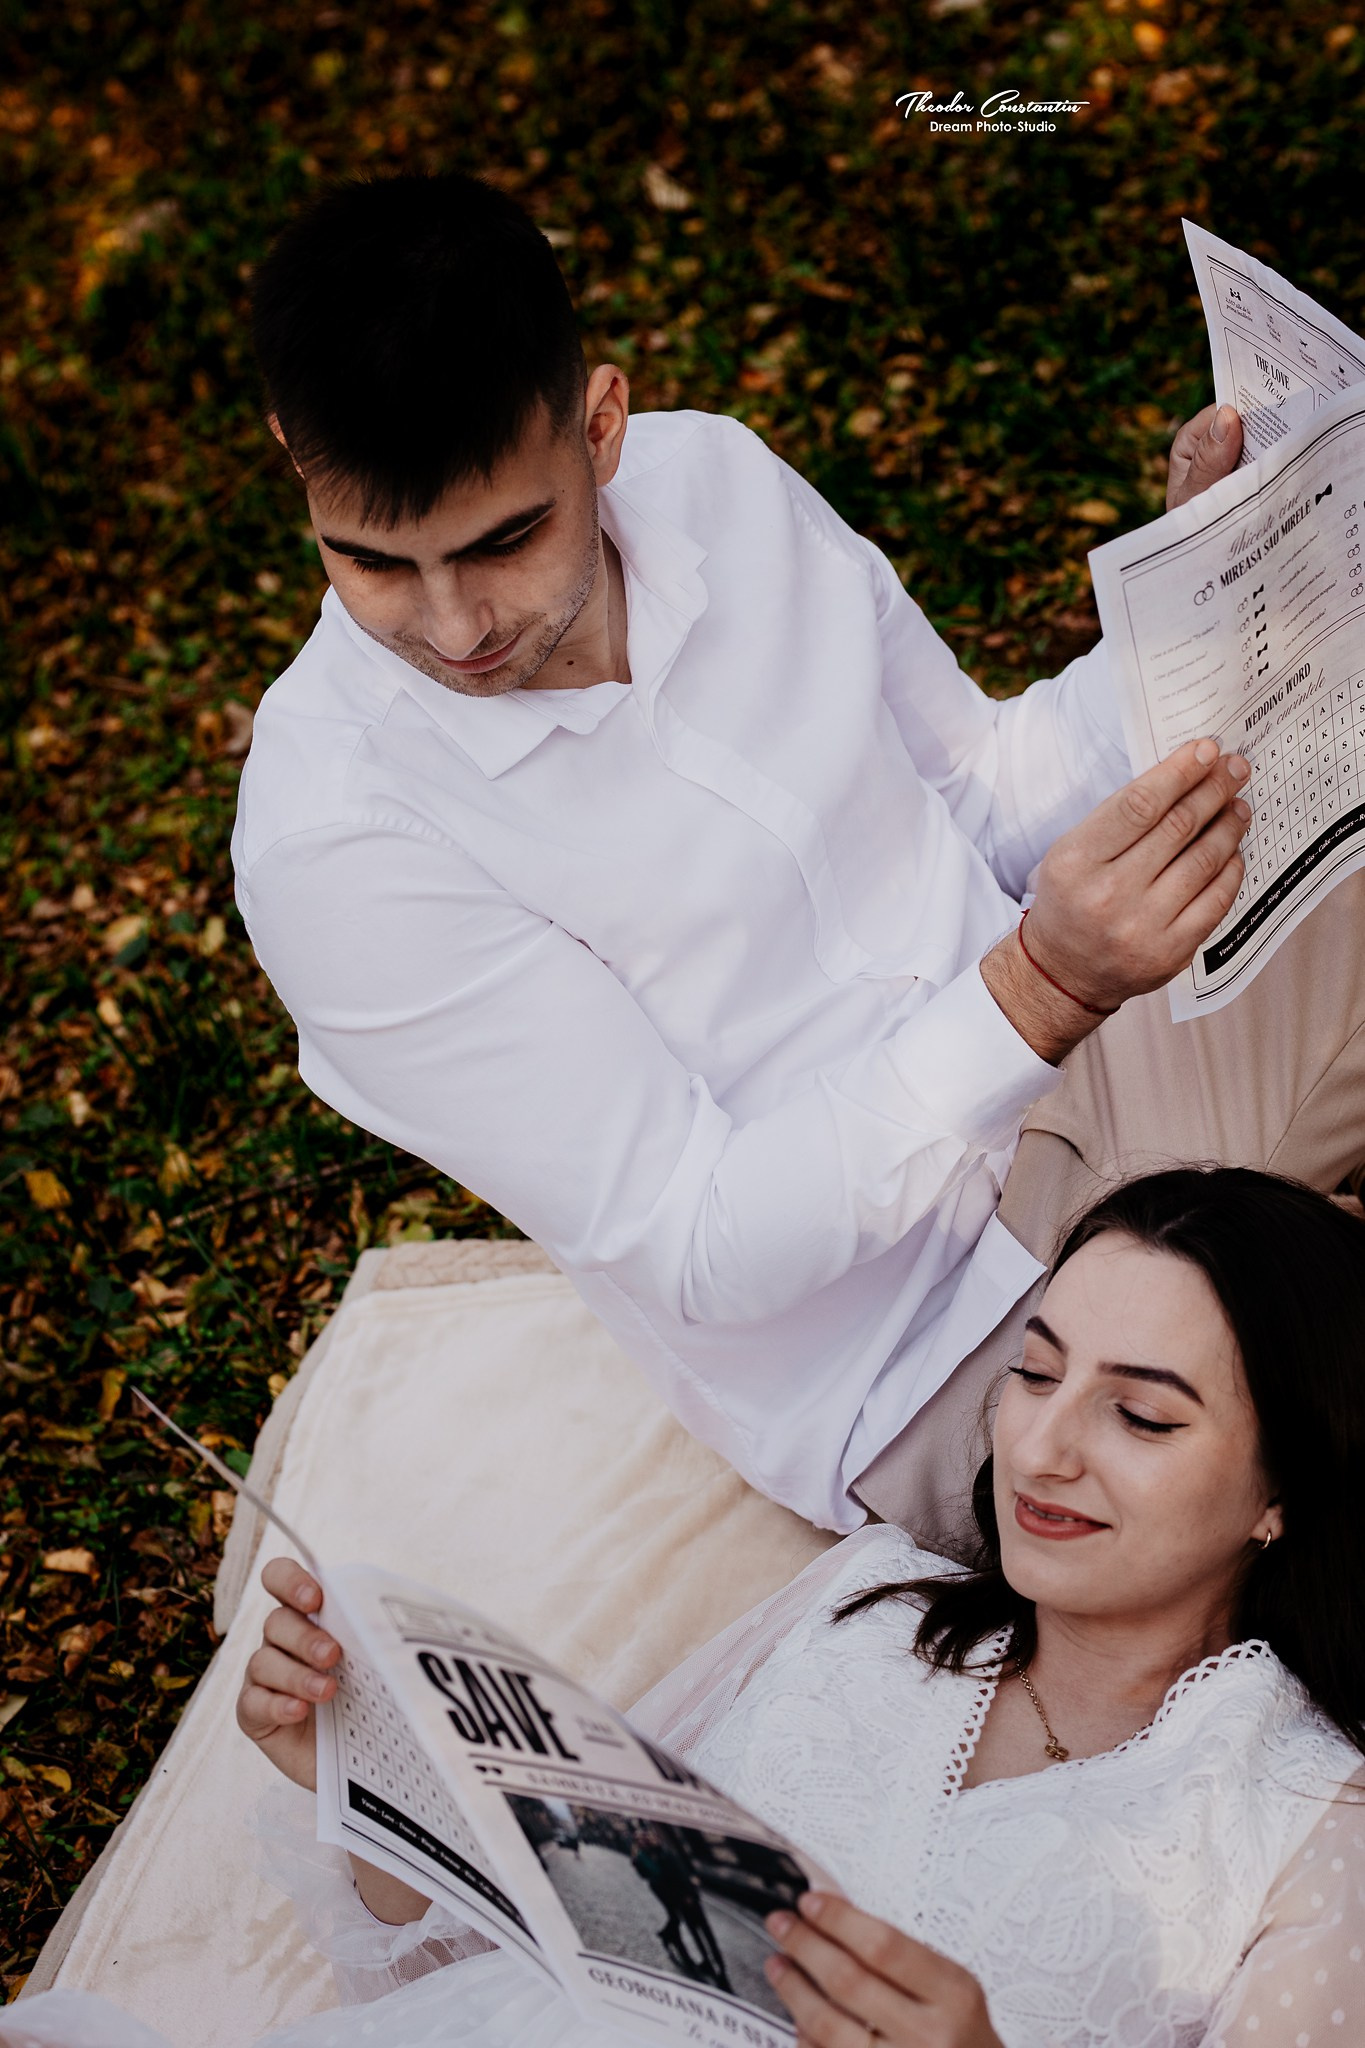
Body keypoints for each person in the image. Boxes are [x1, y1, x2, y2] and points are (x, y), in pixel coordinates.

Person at [224, 168, 1314, 1550]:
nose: (454, 628)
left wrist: (1197, 593)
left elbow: (976, 790)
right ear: (293, 456)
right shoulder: (338, 844)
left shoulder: (715, 484)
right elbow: (700, 1246)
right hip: (936, 1345)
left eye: (505, 540)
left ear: (601, 426)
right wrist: (1037, 989)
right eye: (376, 564)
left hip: (1121, 1059)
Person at [10, 1165, 1363, 2047]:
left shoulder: (1308, 1823)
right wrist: (363, 1776)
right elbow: (496, 1958)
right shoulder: (862, 1606)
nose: (1043, 1448)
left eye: (1140, 1415)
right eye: (1035, 1372)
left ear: (1282, 1488)